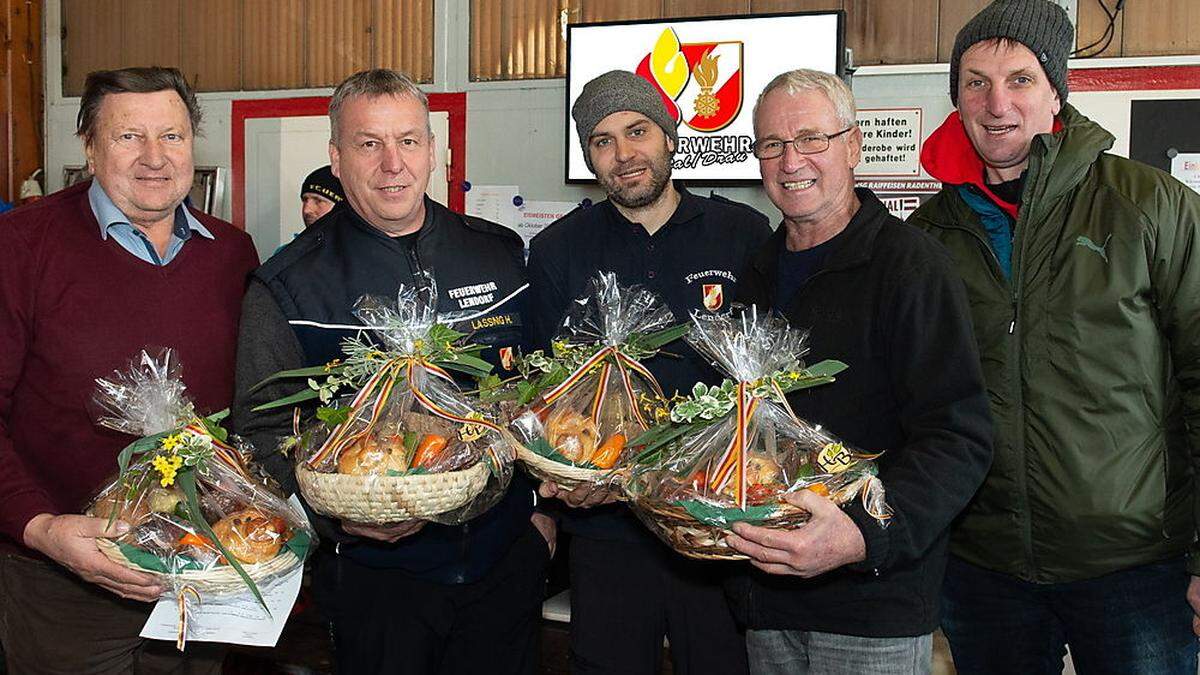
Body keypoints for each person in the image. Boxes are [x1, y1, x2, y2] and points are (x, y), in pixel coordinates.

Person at [907, 1, 1200, 673]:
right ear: (956, 97)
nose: (996, 101)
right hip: (984, 568)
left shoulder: (1149, 207)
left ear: (1056, 92)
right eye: (975, 81)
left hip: (1134, 565)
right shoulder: (927, 236)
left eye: (1020, 79)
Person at [229, 68, 551, 675]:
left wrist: (540, 515)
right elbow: (257, 433)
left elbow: (538, 389)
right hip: (375, 579)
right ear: (336, 155)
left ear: (434, 151)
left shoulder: (499, 253)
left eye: (408, 140)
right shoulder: (288, 286)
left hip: (502, 560)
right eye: (368, 143)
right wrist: (332, 519)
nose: (391, 164)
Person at [727, 68, 993, 675]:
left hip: (873, 605)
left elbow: (960, 437)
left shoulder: (911, 266)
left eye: (812, 138)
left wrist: (862, 535)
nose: (792, 160)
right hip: (765, 599)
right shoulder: (753, 277)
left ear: (852, 145)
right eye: (772, 144)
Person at [0, 66, 259, 673]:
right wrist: (38, 528)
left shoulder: (232, 252)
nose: (154, 158)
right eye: (127, 137)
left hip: (205, 568)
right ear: (89, 145)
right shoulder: (20, 244)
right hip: (64, 580)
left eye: (171, 136)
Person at [526, 69, 772, 675]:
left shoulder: (741, 233)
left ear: (670, 135)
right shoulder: (561, 248)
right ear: (589, 157)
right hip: (607, 530)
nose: (623, 154)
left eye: (637, 132)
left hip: (716, 523)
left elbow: (771, 376)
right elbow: (538, 390)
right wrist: (547, 499)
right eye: (602, 141)